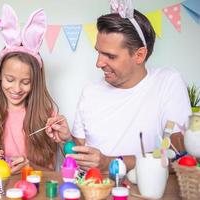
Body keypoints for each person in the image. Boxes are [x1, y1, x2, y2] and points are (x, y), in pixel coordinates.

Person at [46, 2, 191, 172]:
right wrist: (65, 140)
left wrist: (111, 163)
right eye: (98, 52)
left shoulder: (167, 83)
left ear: (139, 55)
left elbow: (180, 155)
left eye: (110, 56)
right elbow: (82, 159)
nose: (98, 63)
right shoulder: (90, 92)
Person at [0, 4, 58, 174]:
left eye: (26, 82)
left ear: (35, 82)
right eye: (10, 79)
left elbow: (52, 174)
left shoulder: (47, 117)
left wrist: (29, 167)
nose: (16, 88)